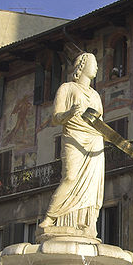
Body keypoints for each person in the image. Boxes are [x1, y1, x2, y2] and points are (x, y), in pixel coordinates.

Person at [39, 52, 104, 233]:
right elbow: (55, 118)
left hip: (94, 140)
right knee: (70, 177)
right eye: (94, 63)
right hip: (73, 135)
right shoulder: (66, 88)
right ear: (81, 66)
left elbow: (99, 123)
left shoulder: (96, 96)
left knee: (91, 185)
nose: (97, 67)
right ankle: (50, 217)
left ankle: (85, 223)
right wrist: (69, 113)